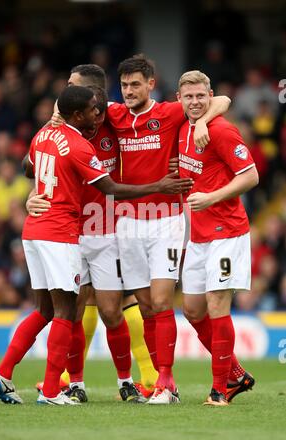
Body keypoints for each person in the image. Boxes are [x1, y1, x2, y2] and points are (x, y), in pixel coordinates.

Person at [0, 85, 191, 406]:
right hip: (62, 232)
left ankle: (3, 372)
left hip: (42, 230)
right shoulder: (78, 145)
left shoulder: (44, 135)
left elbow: (34, 167)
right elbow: (110, 187)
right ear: (77, 113)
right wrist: (161, 186)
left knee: (49, 310)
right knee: (67, 312)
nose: (99, 114)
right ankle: (56, 390)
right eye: (92, 110)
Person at [28, 64, 160, 401]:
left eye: (72, 85)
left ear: (95, 98)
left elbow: (149, 131)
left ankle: (132, 379)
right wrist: (34, 194)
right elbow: (32, 165)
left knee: (110, 309)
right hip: (68, 229)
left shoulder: (114, 118)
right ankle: (73, 382)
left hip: (106, 228)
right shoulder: (64, 125)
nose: (65, 90)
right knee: (71, 309)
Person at [105, 54, 231, 404]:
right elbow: (70, 102)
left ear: (151, 84)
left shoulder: (170, 112)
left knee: (161, 300)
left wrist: (204, 121)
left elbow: (222, 99)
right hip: (127, 222)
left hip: (166, 220)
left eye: (135, 84)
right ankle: (160, 378)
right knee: (145, 306)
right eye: (124, 85)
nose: (129, 91)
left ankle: (167, 381)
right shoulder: (113, 114)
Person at [177, 70, 258, 405]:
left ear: (209, 94)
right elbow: (221, 101)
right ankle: (237, 373)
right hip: (198, 235)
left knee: (217, 305)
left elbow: (251, 176)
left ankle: (220, 390)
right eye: (188, 97)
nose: (195, 102)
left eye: (200, 96)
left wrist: (212, 197)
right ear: (179, 98)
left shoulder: (222, 131)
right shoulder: (184, 127)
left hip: (227, 232)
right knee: (194, 310)